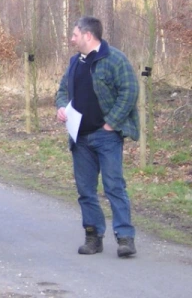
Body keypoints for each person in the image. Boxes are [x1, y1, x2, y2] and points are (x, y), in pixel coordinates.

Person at [55, 16, 139, 258]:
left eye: (74, 35)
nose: (72, 39)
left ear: (88, 35)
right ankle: (93, 236)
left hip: (106, 137)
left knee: (114, 186)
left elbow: (130, 90)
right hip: (79, 138)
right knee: (85, 191)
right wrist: (62, 107)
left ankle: (125, 238)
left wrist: (112, 122)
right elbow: (62, 91)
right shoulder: (74, 63)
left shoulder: (114, 59)